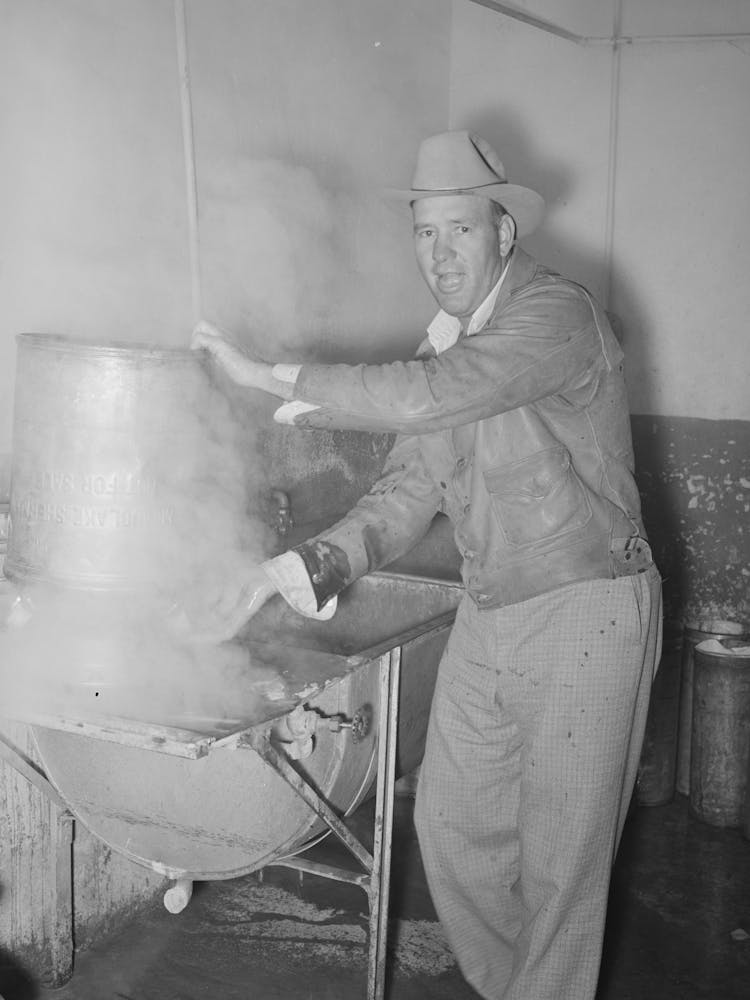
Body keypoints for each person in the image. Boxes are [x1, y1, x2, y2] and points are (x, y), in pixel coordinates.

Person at [190, 129, 662, 1000]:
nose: (441, 254)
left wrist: (273, 379)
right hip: (494, 611)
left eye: (462, 230)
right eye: (425, 233)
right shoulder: (448, 347)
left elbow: (436, 395)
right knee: (451, 827)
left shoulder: (556, 316)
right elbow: (406, 493)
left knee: (562, 863)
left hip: (586, 606)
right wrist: (275, 573)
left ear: (503, 235)